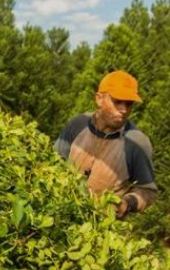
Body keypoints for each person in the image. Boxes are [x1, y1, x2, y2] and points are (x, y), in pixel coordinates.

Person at [54, 70, 157, 218]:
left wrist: (127, 203)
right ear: (99, 99)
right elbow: (53, 164)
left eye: (129, 104)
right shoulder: (77, 124)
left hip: (100, 228)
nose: (124, 110)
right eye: (117, 102)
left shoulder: (136, 142)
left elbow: (148, 191)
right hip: (60, 216)